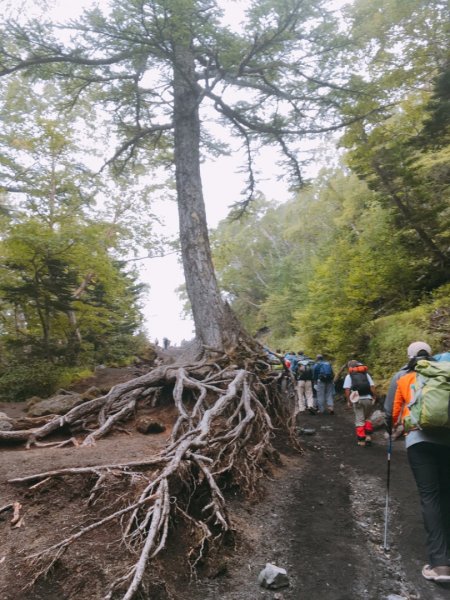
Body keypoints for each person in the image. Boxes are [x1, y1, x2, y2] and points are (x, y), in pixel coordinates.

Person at [384, 341, 450, 583]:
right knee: (446, 494)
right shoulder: (445, 372)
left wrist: (393, 431)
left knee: (430, 495)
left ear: (409, 356)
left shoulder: (403, 377)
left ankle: (440, 565)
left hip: (419, 441)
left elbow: (391, 412)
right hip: (447, 440)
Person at [343, 360, 376, 446]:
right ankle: (368, 436)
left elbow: (347, 389)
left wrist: (349, 401)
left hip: (357, 399)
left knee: (359, 420)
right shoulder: (365, 374)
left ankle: (361, 440)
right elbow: (372, 386)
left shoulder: (349, 376)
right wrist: (374, 396)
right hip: (368, 398)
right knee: (368, 418)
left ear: (350, 367)